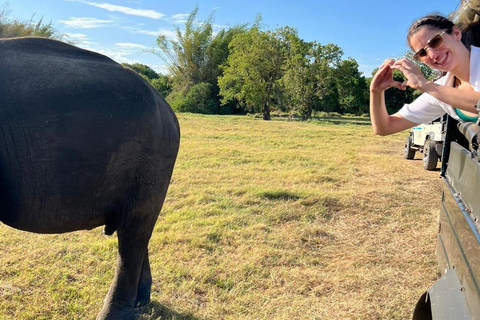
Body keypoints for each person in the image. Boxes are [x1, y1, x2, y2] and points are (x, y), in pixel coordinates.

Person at [370, 14, 480, 136]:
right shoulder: (440, 89)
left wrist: (426, 85)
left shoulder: (435, 90)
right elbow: (384, 127)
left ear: (456, 33)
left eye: (435, 41)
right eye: (422, 53)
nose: (432, 55)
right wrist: (376, 91)